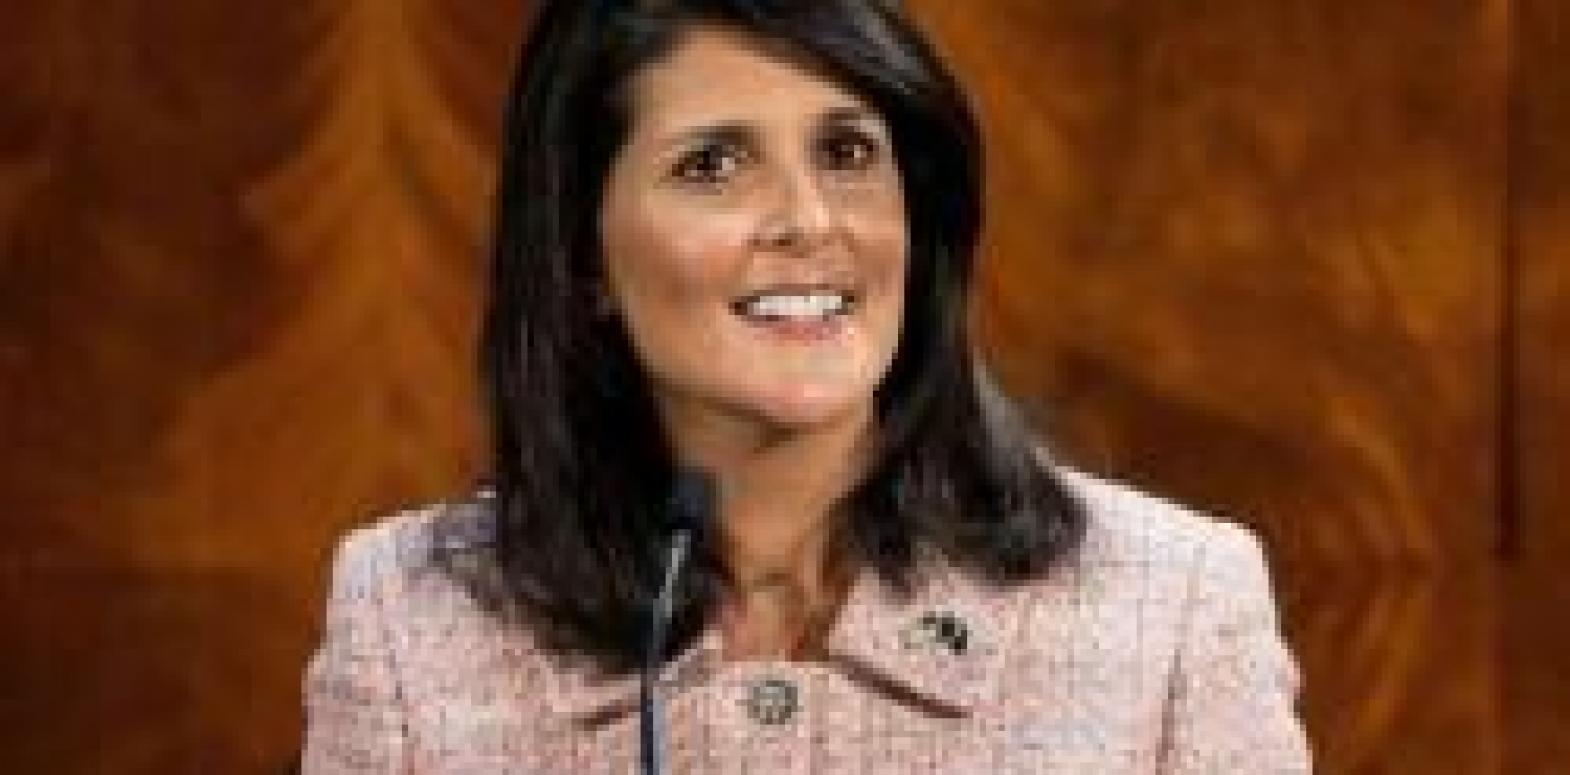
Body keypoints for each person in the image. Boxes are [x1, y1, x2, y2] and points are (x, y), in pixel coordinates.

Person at [299, 0, 1313, 772]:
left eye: (846, 152)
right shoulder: (411, 624)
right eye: (712, 164)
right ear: (582, 254)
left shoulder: (1171, 606)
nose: (808, 220)